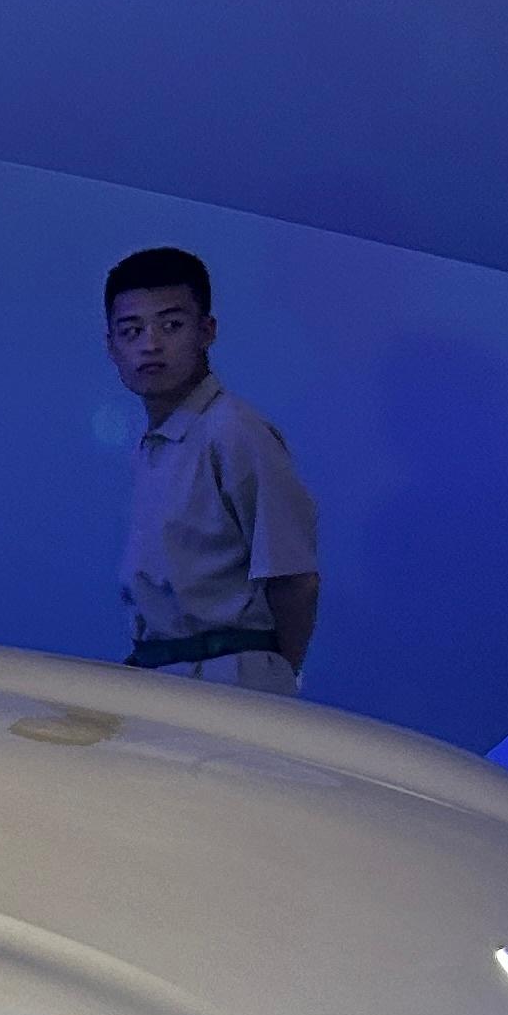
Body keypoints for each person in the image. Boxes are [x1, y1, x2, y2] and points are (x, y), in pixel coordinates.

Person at [105, 246, 318, 696]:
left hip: (229, 680)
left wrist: (277, 677)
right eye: (132, 330)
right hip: (165, 676)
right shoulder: (153, 443)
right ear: (112, 346)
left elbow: (295, 579)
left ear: (206, 331)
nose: (150, 345)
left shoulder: (234, 430)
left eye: (171, 325)